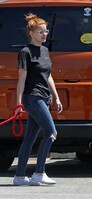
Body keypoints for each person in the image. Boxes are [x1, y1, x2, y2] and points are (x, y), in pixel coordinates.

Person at [13, 13, 63, 186]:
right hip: (32, 98)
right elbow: (21, 80)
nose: (45, 34)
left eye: (46, 31)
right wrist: (19, 103)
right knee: (51, 132)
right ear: (31, 33)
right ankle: (39, 172)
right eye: (41, 32)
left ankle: (19, 177)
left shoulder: (45, 50)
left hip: (44, 97)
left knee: (29, 139)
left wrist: (56, 97)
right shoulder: (25, 52)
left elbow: (48, 76)